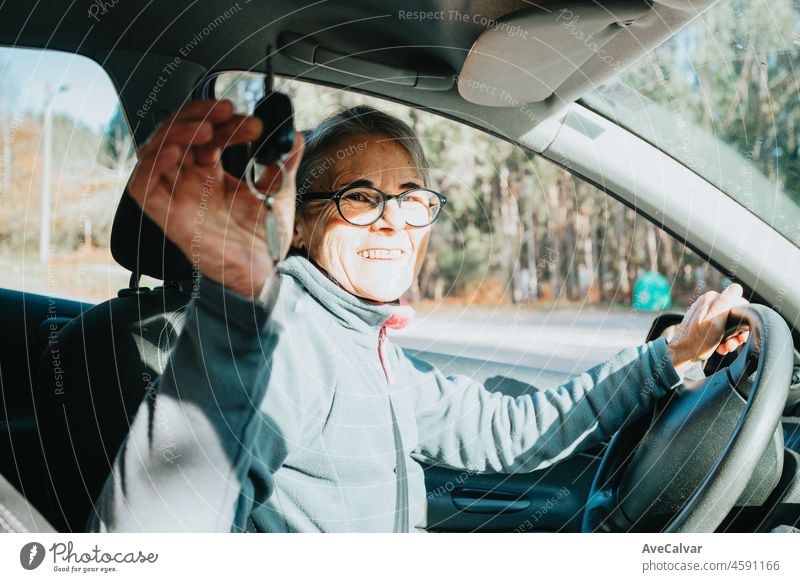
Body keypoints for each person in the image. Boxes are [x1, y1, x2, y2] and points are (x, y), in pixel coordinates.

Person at [87, 99, 749, 532]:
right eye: (359, 196)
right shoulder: (291, 343)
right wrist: (235, 300)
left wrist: (670, 357)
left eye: (410, 198)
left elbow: (504, 430)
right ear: (296, 224)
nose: (392, 220)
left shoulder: (373, 349)